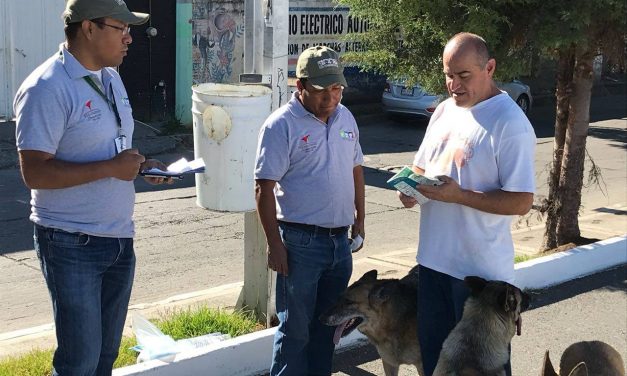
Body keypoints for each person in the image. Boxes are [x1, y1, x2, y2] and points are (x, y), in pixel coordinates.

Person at [13, 0, 171, 374]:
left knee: (103, 357)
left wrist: (141, 165)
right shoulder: (46, 88)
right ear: (88, 28)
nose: (130, 38)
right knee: (78, 361)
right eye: (122, 28)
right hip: (70, 241)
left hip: (118, 237)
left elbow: (111, 149)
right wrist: (111, 168)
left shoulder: (109, 77)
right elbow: (35, 173)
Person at [398, 32, 536, 376]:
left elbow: (521, 201)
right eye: (448, 75)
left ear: (489, 67)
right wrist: (408, 188)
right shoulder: (444, 110)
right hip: (431, 266)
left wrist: (460, 196)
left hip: (481, 281)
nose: (453, 85)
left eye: (463, 76)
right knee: (435, 365)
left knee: (480, 370)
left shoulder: (510, 123)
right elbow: (421, 166)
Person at [254, 46, 366, 376]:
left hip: (339, 244)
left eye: (337, 88)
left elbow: (356, 168)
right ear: (300, 86)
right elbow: (263, 188)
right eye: (321, 90)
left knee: (328, 329)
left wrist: (360, 218)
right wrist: (275, 245)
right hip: (300, 245)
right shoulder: (280, 125)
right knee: (295, 331)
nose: (331, 97)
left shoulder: (346, 117)